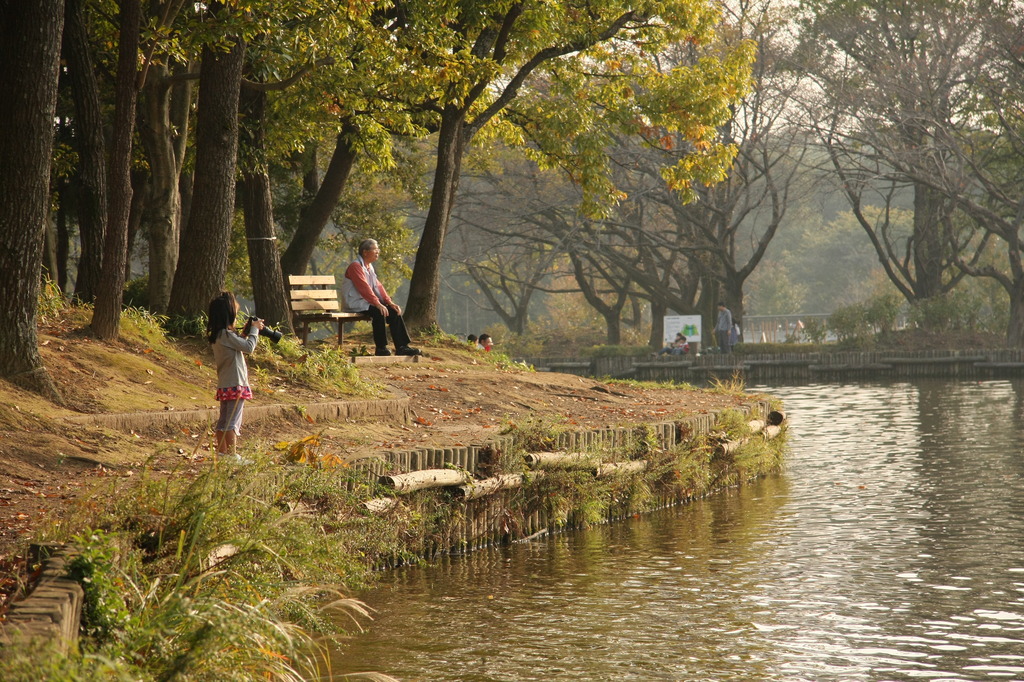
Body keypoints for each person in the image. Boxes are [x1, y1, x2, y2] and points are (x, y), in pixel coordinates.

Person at [342, 239, 420, 356]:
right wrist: (378, 304)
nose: (378, 252)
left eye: (378, 250)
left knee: (393, 311)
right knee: (379, 312)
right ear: (365, 252)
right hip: (355, 303)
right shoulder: (355, 266)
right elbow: (364, 288)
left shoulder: (369, 267)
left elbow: (378, 286)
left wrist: (389, 302)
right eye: (375, 250)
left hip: (366, 302)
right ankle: (381, 348)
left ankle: (402, 347)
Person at [207, 291, 262, 458]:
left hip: (226, 383)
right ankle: (232, 455)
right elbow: (249, 347)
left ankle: (222, 453)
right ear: (228, 315)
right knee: (232, 422)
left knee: (223, 421)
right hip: (235, 383)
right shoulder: (226, 334)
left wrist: (244, 333)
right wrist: (254, 330)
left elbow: (238, 344)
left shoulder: (220, 335)